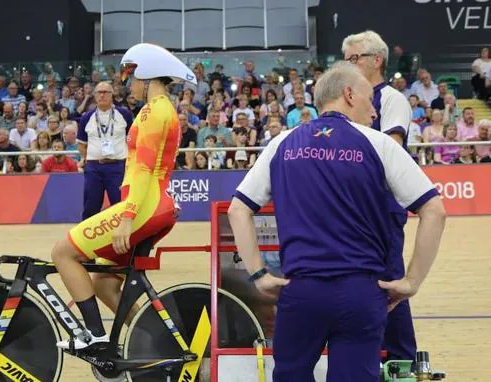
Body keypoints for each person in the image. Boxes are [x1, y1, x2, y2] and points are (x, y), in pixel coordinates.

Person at [228, 62, 446, 382]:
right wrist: (411, 282)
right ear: (348, 95)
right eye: (370, 100)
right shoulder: (379, 144)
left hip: (301, 291)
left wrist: (259, 273)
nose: (374, 112)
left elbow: (238, 210)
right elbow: (434, 211)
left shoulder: (281, 144)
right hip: (363, 292)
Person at [51, 43, 196, 351]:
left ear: (147, 76)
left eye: (133, 77)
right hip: (150, 203)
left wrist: (126, 217)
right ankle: (156, 343)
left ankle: (93, 335)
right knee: (103, 284)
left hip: (145, 205)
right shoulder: (152, 111)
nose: (130, 84)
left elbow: (143, 169)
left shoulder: (157, 112)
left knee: (63, 252)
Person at [342, 30, 418, 364]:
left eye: (355, 58)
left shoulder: (391, 99)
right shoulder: (348, 99)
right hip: (353, 206)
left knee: (389, 283)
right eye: (345, 60)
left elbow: (393, 150)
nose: (349, 64)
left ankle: (403, 359)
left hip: (380, 207)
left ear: (377, 60)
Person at [77, 82, 133, 220]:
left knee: (120, 204)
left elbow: (131, 140)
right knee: (91, 205)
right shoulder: (86, 118)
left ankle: (125, 237)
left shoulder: (124, 114)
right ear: (95, 96)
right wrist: (86, 161)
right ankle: (87, 239)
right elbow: (82, 145)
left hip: (118, 166)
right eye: (99, 92)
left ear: (112, 95)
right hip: (94, 168)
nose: (102, 95)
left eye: (105, 92)